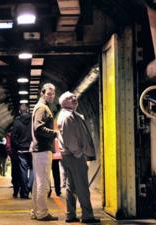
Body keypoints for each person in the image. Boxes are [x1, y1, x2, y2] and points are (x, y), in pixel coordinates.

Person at [57, 91, 100, 224]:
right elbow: (70, 139)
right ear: (64, 103)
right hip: (74, 156)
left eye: (74, 97)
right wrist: (79, 153)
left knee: (72, 187)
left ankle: (70, 214)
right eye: (70, 98)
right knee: (82, 186)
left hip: (69, 156)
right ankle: (87, 216)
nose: (74, 99)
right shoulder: (67, 117)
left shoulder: (72, 115)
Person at [29, 83, 59, 221]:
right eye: (49, 93)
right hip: (42, 149)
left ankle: (36, 211)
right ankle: (42, 212)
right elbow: (38, 128)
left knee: (37, 183)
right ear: (42, 93)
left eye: (53, 93)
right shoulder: (42, 108)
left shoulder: (41, 106)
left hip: (39, 150)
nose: (51, 96)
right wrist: (55, 133)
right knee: (44, 183)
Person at [11, 104, 33, 199]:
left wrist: (17, 147)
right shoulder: (33, 120)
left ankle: (24, 193)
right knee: (33, 169)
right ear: (28, 110)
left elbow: (13, 137)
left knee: (23, 171)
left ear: (20, 111)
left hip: (21, 150)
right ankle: (29, 186)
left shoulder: (17, 122)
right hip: (32, 149)